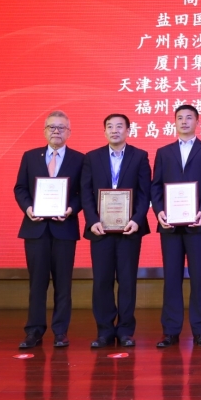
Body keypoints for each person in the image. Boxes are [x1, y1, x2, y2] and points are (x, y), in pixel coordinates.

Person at [150, 104, 201, 349]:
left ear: (197, 121)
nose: (184, 121)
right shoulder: (163, 151)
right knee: (171, 277)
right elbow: (156, 186)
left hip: (199, 224)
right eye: (179, 118)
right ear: (174, 122)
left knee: (199, 277)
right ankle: (170, 331)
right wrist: (159, 211)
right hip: (169, 226)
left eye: (189, 117)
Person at [12, 110, 84, 349]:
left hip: (64, 229)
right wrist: (28, 208)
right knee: (37, 282)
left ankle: (61, 331)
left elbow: (83, 194)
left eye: (61, 127)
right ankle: (33, 331)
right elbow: (20, 188)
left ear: (69, 132)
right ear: (44, 131)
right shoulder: (30, 156)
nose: (56, 131)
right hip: (36, 228)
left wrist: (71, 210)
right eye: (52, 127)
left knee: (63, 283)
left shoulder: (79, 159)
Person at [80, 113, 152, 349]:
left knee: (127, 280)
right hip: (100, 229)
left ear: (128, 130)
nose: (114, 130)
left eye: (119, 126)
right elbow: (86, 192)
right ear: (104, 132)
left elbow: (144, 193)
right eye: (109, 126)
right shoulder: (92, 157)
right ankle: (104, 331)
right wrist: (92, 220)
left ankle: (125, 331)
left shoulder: (140, 156)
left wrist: (137, 220)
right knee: (101, 280)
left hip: (129, 229)